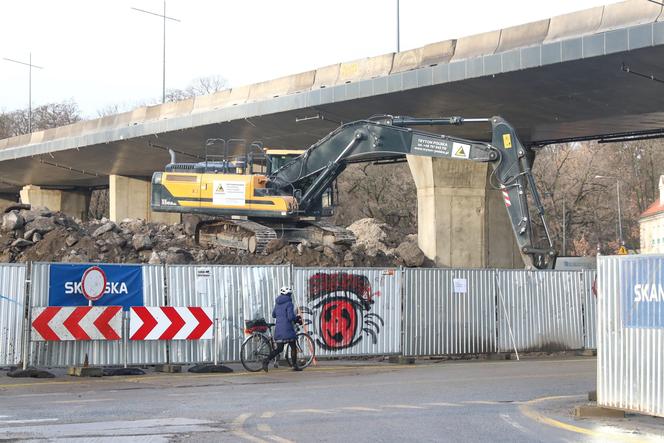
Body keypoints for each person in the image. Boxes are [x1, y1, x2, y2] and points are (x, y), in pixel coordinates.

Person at [263, 286, 302, 372]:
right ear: (288, 294)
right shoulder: (289, 303)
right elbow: (291, 317)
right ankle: (294, 365)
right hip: (287, 329)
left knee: (279, 349)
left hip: (279, 329)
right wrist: (297, 319)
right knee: (293, 346)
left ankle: (266, 361)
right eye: (290, 294)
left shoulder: (277, 303)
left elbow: (273, 315)